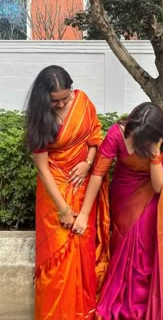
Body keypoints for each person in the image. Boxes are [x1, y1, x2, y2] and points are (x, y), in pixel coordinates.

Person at [73, 102, 163, 319]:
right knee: (125, 245)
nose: (135, 142)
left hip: (154, 195)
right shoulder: (117, 134)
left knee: (146, 237)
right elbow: (98, 174)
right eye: (133, 135)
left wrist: (155, 155)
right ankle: (126, 301)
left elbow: (160, 188)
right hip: (124, 196)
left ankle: (142, 305)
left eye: (141, 140)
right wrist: (83, 214)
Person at [25, 65, 109, 320]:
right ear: (44, 99)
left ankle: (83, 312)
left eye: (66, 97)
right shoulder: (39, 118)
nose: (62, 104)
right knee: (59, 256)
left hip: (83, 185)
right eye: (55, 101)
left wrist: (88, 162)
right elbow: (43, 169)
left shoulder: (83, 101)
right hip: (54, 192)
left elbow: (95, 135)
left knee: (84, 248)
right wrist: (62, 209)